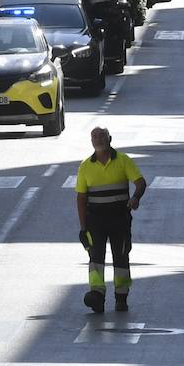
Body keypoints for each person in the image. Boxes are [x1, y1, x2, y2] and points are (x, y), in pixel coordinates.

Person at [75, 127, 147, 314]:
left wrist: (136, 198)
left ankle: (121, 297)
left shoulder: (123, 161)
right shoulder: (85, 166)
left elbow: (140, 182)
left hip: (119, 219)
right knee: (95, 259)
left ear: (110, 139)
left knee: (121, 256)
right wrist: (83, 228)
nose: (98, 139)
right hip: (95, 221)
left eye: (101, 136)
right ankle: (97, 295)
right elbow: (81, 199)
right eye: (94, 136)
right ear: (91, 141)